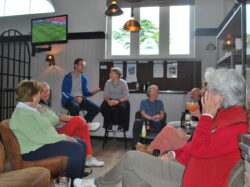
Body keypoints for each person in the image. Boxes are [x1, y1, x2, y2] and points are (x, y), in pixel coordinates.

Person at [74, 67, 248, 187]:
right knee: (130, 174)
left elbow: (200, 149)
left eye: (208, 90)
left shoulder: (235, 126)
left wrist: (207, 115)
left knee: (131, 158)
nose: (204, 93)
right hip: (187, 166)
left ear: (221, 96)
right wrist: (173, 153)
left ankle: (97, 184)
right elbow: (195, 145)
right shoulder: (223, 116)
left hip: (194, 178)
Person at [9, 80, 86, 180]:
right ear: (33, 95)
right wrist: (64, 137)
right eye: (39, 92)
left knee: (82, 144)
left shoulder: (31, 108)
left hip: (42, 143)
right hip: (33, 150)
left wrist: (42, 110)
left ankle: (78, 176)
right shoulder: (22, 115)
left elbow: (54, 120)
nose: (40, 95)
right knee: (77, 148)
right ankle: (73, 181)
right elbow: (40, 138)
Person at [40, 82, 104, 167]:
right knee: (77, 119)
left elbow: (56, 121)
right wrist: (78, 120)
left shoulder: (47, 105)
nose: (46, 93)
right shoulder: (40, 106)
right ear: (38, 93)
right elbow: (59, 117)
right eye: (43, 91)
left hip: (59, 129)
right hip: (54, 134)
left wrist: (67, 124)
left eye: (47, 91)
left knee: (83, 129)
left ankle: (89, 158)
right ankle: (87, 125)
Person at [136, 88, 202, 155]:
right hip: (191, 130)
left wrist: (186, 136)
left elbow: (162, 114)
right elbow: (187, 114)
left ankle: (150, 149)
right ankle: (163, 160)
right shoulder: (192, 102)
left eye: (193, 94)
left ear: (199, 95)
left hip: (191, 140)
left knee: (167, 129)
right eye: (191, 93)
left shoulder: (201, 104)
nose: (191, 95)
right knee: (166, 134)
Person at [61, 58, 100, 123]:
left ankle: (83, 123)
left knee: (96, 108)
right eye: (81, 65)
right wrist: (74, 98)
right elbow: (64, 92)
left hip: (81, 99)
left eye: (84, 65)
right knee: (75, 106)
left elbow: (85, 92)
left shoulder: (84, 78)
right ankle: (76, 126)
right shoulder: (68, 77)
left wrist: (92, 93)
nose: (83, 67)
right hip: (69, 100)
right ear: (76, 65)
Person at [132, 84, 165, 149]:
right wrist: (150, 118)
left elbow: (162, 113)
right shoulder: (143, 102)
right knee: (137, 121)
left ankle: (156, 146)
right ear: (149, 93)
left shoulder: (160, 102)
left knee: (157, 122)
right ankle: (135, 146)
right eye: (155, 92)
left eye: (157, 92)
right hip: (145, 121)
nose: (157, 94)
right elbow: (143, 113)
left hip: (156, 121)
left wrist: (159, 117)